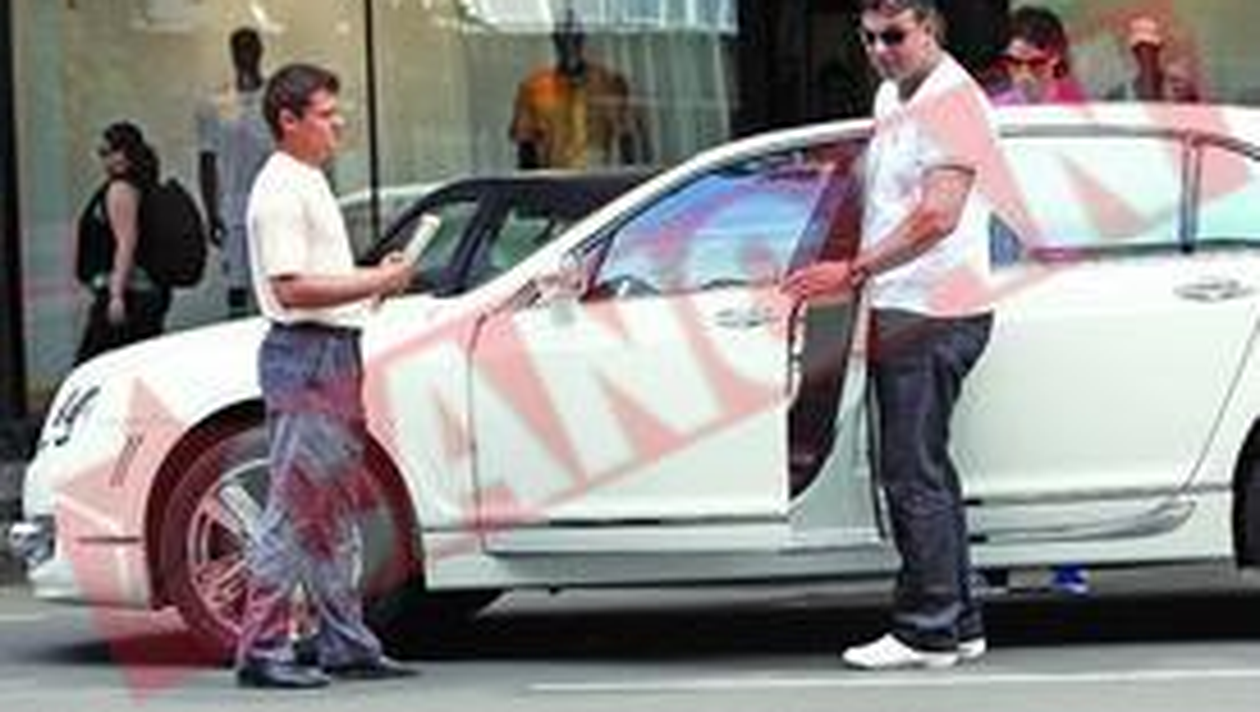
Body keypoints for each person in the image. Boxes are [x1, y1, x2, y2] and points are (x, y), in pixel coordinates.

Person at [784, 0, 998, 670]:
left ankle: (926, 631)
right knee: (925, 469)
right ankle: (958, 621)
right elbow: (886, 200)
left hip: (933, 310)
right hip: (906, 303)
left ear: (929, 29)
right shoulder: (890, 95)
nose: (880, 50)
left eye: (895, 36)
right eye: (870, 37)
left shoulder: (951, 104)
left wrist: (852, 271)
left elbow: (938, 216)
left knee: (910, 473)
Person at [234, 62, 415, 689]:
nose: (339, 124)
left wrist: (375, 283)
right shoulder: (282, 189)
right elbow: (292, 289)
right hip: (308, 354)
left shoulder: (303, 181)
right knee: (297, 507)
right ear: (288, 121)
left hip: (326, 351)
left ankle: (344, 643)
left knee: (328, 508)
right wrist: (378, 280)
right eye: (326, 114)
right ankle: (262, 648)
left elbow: (315, 285)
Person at [75, 121, 171, 364]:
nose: (108, 159)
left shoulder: (120, 189)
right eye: (103, 153)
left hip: (130, 293)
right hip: (141, 293)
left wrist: (116, 295)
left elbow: (126, 242)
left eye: (114, 151)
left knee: (92, 367)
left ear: (129, 152)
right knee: (137, 365)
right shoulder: (139, 185)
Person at [196, 26, 273, 318]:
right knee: (237, 286)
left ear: (260, 52)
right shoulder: (215, 105)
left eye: (250, 48)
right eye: (240, 49)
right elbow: (206, 160)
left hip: (273, 201)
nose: (246, 55)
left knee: (274, 276)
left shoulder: (273, 99)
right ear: (232, 54)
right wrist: (210, 212)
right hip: (234, 206)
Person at [508, 8, 644, 169]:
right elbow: (525, 146)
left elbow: (627, 138)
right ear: (555, 40)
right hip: (552, 177)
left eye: (575, 38)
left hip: (598, 176)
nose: (569, 44)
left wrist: (629, 177)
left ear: (582, 39)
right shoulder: (534, 87)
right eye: (563, 38)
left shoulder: (609, 83)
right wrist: (531, 183)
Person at [990, 5, 1086, 106]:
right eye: (1014, 62)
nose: (1024, 74)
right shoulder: (995, 104)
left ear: (1055, 59)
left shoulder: (1073, 105)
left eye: (1035, 64)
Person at [1105, 15, 1166, 101]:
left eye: (1150, 49)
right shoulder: (1119, 94)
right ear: (1134, 54)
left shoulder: (1174, 87)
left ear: (1158, 51)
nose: (1145, 55)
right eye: (1139, 49)